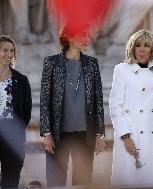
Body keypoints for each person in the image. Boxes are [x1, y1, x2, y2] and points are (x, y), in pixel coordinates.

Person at [40, 25, 105, 186]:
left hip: (85, 133)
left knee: (83, 181)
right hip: (57, 133)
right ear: (68, 37)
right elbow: (44, 100)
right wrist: (46, 133)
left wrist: (99, 133)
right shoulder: (51, 63)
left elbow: (98, 100)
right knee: (56, 181)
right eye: (82, 34)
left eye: (88, 35)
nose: (87, 39)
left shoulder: (92, 64)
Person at [109, 29, 153, 185]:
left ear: (152, 49)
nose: (141, 49)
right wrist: (126, 137)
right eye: (138, 45)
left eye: (146, 45)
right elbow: (115, 106)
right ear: (132, 48)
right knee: (129, 181)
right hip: (130, 136)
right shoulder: (122, 70)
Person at [0, 35, 32, 188]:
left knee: (11, 181)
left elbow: (26, 111)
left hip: (13, 138)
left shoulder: (22, 80)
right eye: (4, 50)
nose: (9, 54)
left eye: (12, 51)